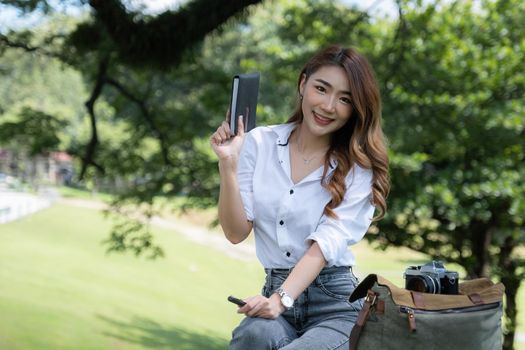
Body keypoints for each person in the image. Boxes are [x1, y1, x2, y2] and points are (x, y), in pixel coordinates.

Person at [210, 45, 390, 350]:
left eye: (345, 99)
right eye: (322, 88)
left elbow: (324, 245)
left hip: (335, 304)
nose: (329, 106)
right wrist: (228, 163)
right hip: (276, 290)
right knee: (251, 336)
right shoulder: (259, 143)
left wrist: (282, 299)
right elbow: (236, 232)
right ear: (303, 83)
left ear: (356, 108)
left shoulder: (360, 167)